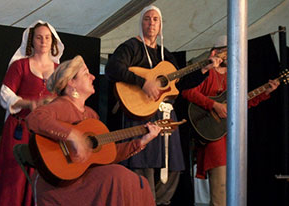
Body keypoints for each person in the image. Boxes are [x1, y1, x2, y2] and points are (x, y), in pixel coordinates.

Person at [105, 5, 221, 205]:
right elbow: (113, 68)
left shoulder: (165, 54)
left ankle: (158, 202)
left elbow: (180, 84)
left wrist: (204, 70)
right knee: (143, 164)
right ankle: (144, 200)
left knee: (172, 166)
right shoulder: (131, 47)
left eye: (155, 20)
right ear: (141, 23)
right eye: (147, 19)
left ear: (160, 26)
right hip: (139, 113)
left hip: (165, 115)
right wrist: (143, 82)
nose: (151, 23)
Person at [25, 55, 162, 206]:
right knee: (118, 175)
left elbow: (108, 154)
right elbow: (34, 118)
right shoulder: (61, 105)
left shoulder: (91, 115)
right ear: (72, 82)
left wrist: (141, 142)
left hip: (87, 179)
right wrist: (72, 136)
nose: (93, 77)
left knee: (139, 182)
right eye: (86, 73)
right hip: (62, 186)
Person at [181, 35, 280, 206]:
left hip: (230, 136)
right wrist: (213, 105)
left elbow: (242, 105)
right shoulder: (206, 72)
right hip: (212, 136)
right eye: (227, 52)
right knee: (220, 192)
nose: (231, 55)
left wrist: (265, 92)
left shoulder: (235, 77)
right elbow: (187, 92)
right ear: (216, 52)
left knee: (233, 190)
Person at [0, 20, 64, 206]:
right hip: (19, 128)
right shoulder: (20, 66)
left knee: (42, 175)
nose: (43, 41)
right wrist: (30, 104)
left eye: (47, 37)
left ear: (53, 42)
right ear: (32, 41)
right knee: (13, 175)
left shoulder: (57, 71)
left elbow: (63, 99)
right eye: (39, 37)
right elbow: (5, 94)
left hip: (45, 132)